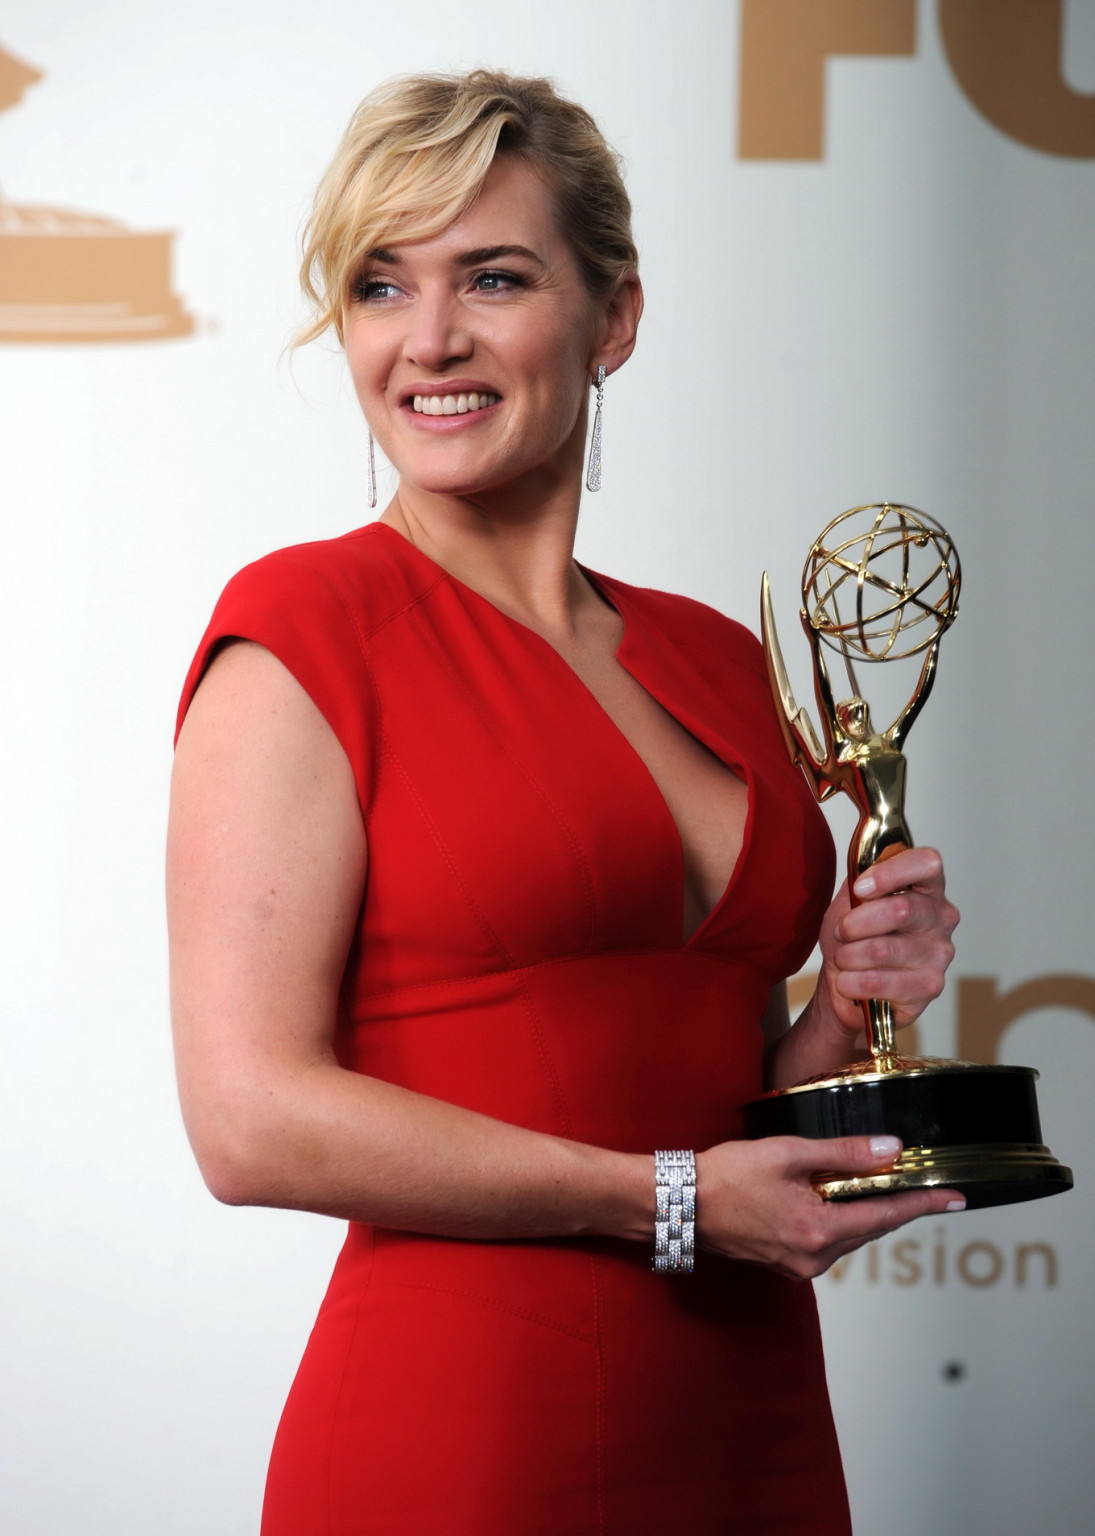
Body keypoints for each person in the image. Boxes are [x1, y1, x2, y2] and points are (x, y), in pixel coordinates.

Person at [167, 70, 961, 1536]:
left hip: (755, 1427)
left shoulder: (720, 660)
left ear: (616, 319)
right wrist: (672, 1202)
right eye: (380, 284)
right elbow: (248, 1121)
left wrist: (851, 1004)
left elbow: (711, 1101)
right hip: (464, 1432)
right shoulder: (304, 631)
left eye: (495, 277)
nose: (431, 341)